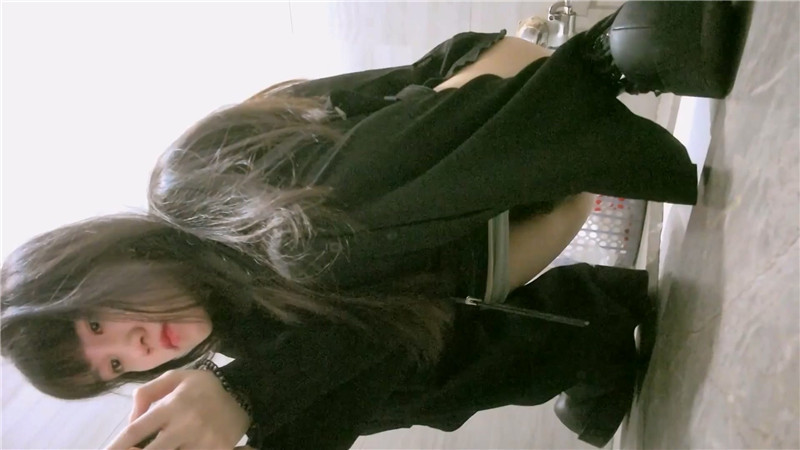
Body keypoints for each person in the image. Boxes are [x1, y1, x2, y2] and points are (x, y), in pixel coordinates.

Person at [1, 2, 746, 449]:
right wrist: (258, 419)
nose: (131, 349)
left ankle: (614, 54)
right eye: (113, 369)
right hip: (502, 232)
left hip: (506, 94)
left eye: (97, 323)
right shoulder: (247, 341)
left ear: (105, 259)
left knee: (302, 245)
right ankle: (586, 333)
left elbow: (367, 179)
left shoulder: (187, 184)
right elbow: (380, 340)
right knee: (337, 378)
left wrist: (245, 393)